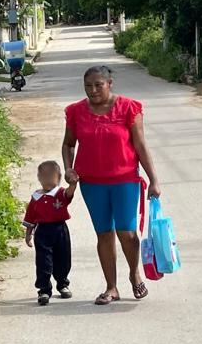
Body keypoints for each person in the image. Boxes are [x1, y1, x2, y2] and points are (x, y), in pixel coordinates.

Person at [62, 65, 162, 305]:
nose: (93, 90)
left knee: (127, 233)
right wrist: (68, 168)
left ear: (110, 84)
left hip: (124, 179)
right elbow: (68, 144)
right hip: (92, 183)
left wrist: (154, 180)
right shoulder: (76, 111)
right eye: (88, 86)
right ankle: (111, 287)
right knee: (104, 234)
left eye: (98, 85)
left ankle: (134, 273)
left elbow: (140, 145)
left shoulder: (129, 108)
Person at [22, 161, 77, 305]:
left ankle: (62, 284)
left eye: (51, 176)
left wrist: (73, 184)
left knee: (63, 259)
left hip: (60, 230)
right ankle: (44, 290)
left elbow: (69, 194)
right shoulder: (36, 197)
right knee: (43, 262)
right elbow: (30, 216)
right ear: (39, 178)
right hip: (42, 232)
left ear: (58, 177)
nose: (48, 179)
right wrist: (29, 233)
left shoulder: (60, 193)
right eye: (44, 176)